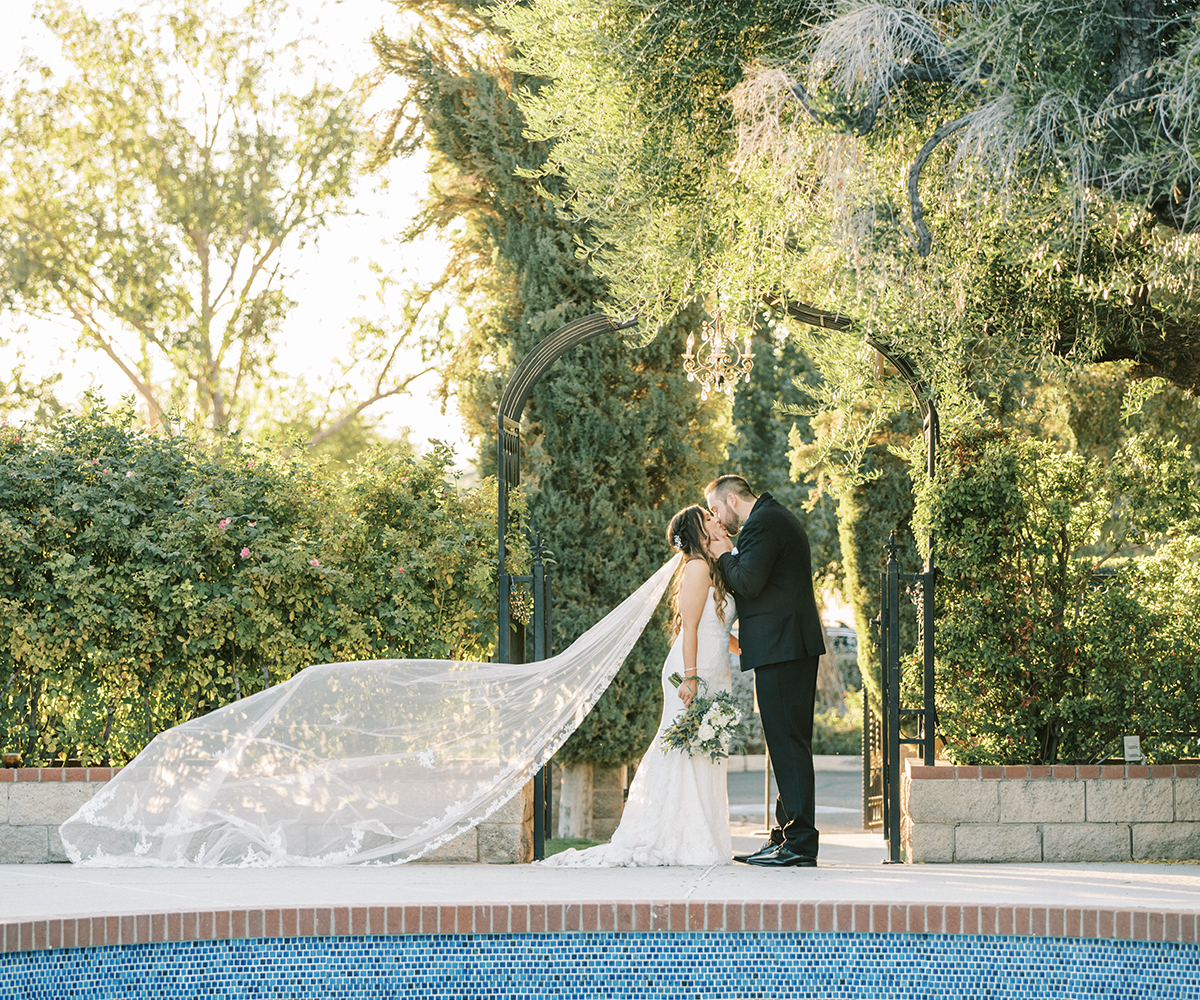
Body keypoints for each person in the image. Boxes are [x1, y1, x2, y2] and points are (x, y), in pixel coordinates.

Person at [538, 505, 739, 867]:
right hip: (691, 671)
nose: (716, 520)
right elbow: (689, 628)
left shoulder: (714, 568)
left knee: (702, 751)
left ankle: (699, 834)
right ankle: (672, 835)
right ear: (698, 530)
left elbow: (718, 627)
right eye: (709, 518)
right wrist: (691, 678)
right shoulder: (696, 568)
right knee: (684, 750)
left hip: (713, 667)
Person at [703, 474, 825, 868]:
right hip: (783, 648)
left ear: (733, 499)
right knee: (784, 746)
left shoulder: (763, 522)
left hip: (783, 649)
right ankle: (784, 836)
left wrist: (723, 553)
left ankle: (800, 843)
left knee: (789, 745)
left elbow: (748, 582)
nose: (717, 519)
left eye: (717, 510)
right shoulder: (770, 519)